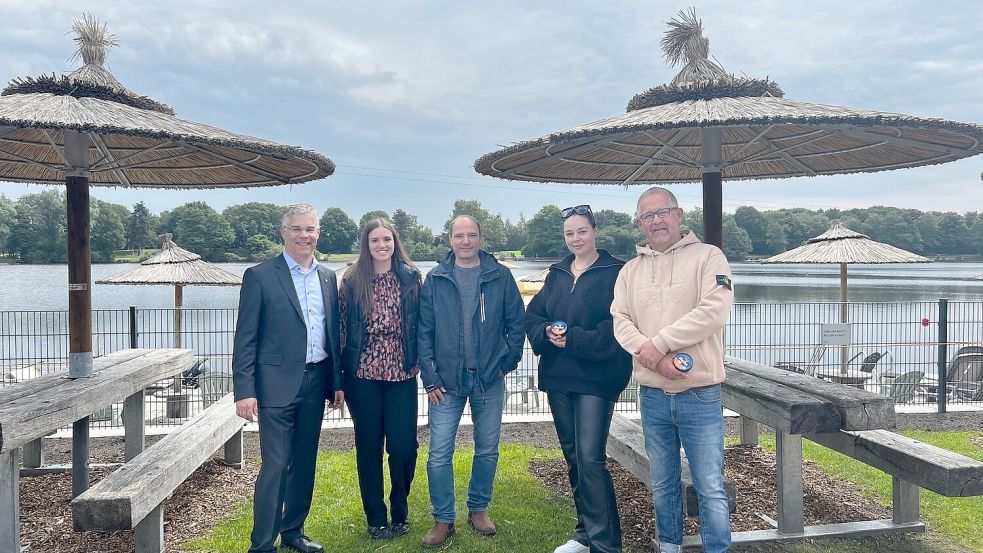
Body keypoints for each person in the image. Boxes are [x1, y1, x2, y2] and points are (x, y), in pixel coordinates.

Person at [610, 187, 734, 553]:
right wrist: (650, 356)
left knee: (709, 484)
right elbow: (620, 319)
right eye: (647, 216)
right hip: (652, 396)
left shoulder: (709, 258)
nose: (656, 221)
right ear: (639, 224)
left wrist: (658, 345)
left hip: (700, 394)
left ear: (679, 216)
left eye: (663, 212)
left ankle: (717, 548)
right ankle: (668, 545)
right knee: (662, 483)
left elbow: (713, 311)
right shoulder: (630, 271)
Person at [232, 203, 344, 553]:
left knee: (305, 462)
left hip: (317, 381)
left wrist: (337, 382)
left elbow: (333, 334)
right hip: (275, 387)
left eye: (310, 229)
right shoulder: (260, 275)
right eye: (296, 229)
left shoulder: (328, 277)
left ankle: (293, 532)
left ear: (318, 233)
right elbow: (245, 337)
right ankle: (262, 544)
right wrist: (244, 390)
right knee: (276, 464)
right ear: (283, 233)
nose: (304, 236)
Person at [525, 204, 631, 553]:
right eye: (569, 233)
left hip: (597, 378)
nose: (575, 239)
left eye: (581, 231)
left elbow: (618, 325)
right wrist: (545, 332)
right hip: (559, 376)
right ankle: (584, 532)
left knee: (590, 458)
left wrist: (574, 340)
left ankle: (605, 544)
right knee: (573, 457)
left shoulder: (617, 272)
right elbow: (535, 314)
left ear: (595, 231)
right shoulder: (556, 272)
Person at [417, 215, 525, 548]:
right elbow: (423, 333)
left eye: (472, 235)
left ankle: (478, 509)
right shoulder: (435, 278)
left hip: (489, 379)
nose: (466, 241)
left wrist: (505, 364)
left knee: (488, 449)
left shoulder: (499, 275)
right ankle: (443, 518)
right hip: (445, 383)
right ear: (449, 239)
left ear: (480, 237)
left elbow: (516, 323)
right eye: (459, 235)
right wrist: (430, 377)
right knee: (438, 453)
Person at [338, 219, 422, 540]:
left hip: (402, 373)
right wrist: (339, 378)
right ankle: (376, 518)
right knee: (369, 447)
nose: (381, 245)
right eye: (375, 240)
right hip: (362, 376)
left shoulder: (412, 278)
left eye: (387, 239)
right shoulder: (351, 280)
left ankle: (400, 510)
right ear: (367, 244)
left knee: (404, 447)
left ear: (394, 241)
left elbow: (423, 324)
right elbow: (341, 329)